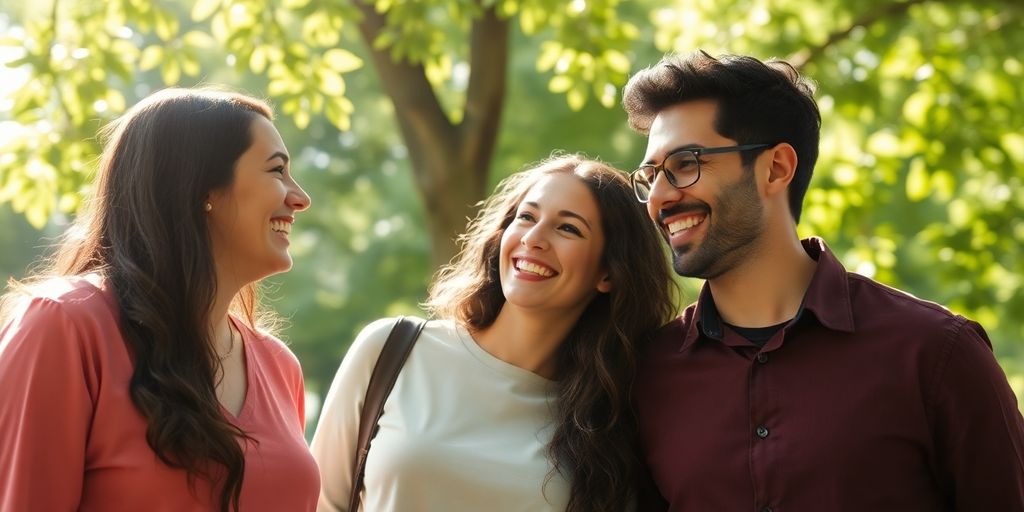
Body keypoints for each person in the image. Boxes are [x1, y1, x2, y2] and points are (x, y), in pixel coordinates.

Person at [622, 50, 1024, 511]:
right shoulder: (647, 375)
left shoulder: (935, 354)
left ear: (776, 168)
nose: (660, 196)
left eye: (685, 163)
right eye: (650, 175)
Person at [0, 88, 319, 512]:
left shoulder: (280, 368)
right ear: (201, 187)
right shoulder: (65, 326)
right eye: (277, 171)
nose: (300, 198)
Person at [310, 155, 677, 512]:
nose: (533, 238)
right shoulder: (392, 350)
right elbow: (316, 504)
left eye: (568, 228)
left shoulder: (611, 424)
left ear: (608, 274)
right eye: (526, 217)